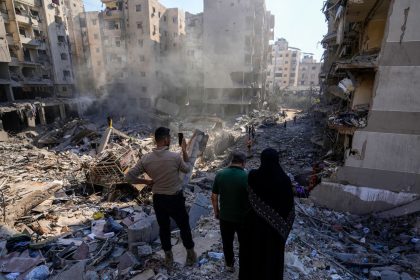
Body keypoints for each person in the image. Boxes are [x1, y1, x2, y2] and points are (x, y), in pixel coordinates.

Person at [125, 127, 197, 267]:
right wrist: (184, 151)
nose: (170, 139)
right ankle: (190, 255)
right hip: (175, 199)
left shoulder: (145, 159)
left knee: (164, 228)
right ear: (165, 139)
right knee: (184, 226)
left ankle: (168, 258)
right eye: (169, 137)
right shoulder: (175, 157)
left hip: (159, 200)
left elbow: (129, 177)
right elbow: (188, 169)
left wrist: (146, 182)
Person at [241, 148, 295, 280]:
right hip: (276, 232)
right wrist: (282, 226)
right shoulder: (285, 180)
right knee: (273, 259)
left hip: (254, 227)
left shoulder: (253, 176)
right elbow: (290, 209)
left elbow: (247, 200)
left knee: (253, 256)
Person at [211, 151, 249, 274]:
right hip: (242, 218)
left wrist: (217, 212)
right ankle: (244, 265)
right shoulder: (246, 176)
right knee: (244, 242)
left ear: (231, 161)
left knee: (227, 241)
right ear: (243, 163)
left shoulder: (220, 174)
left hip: (225, 216)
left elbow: (214, 196)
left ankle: (229, 264)